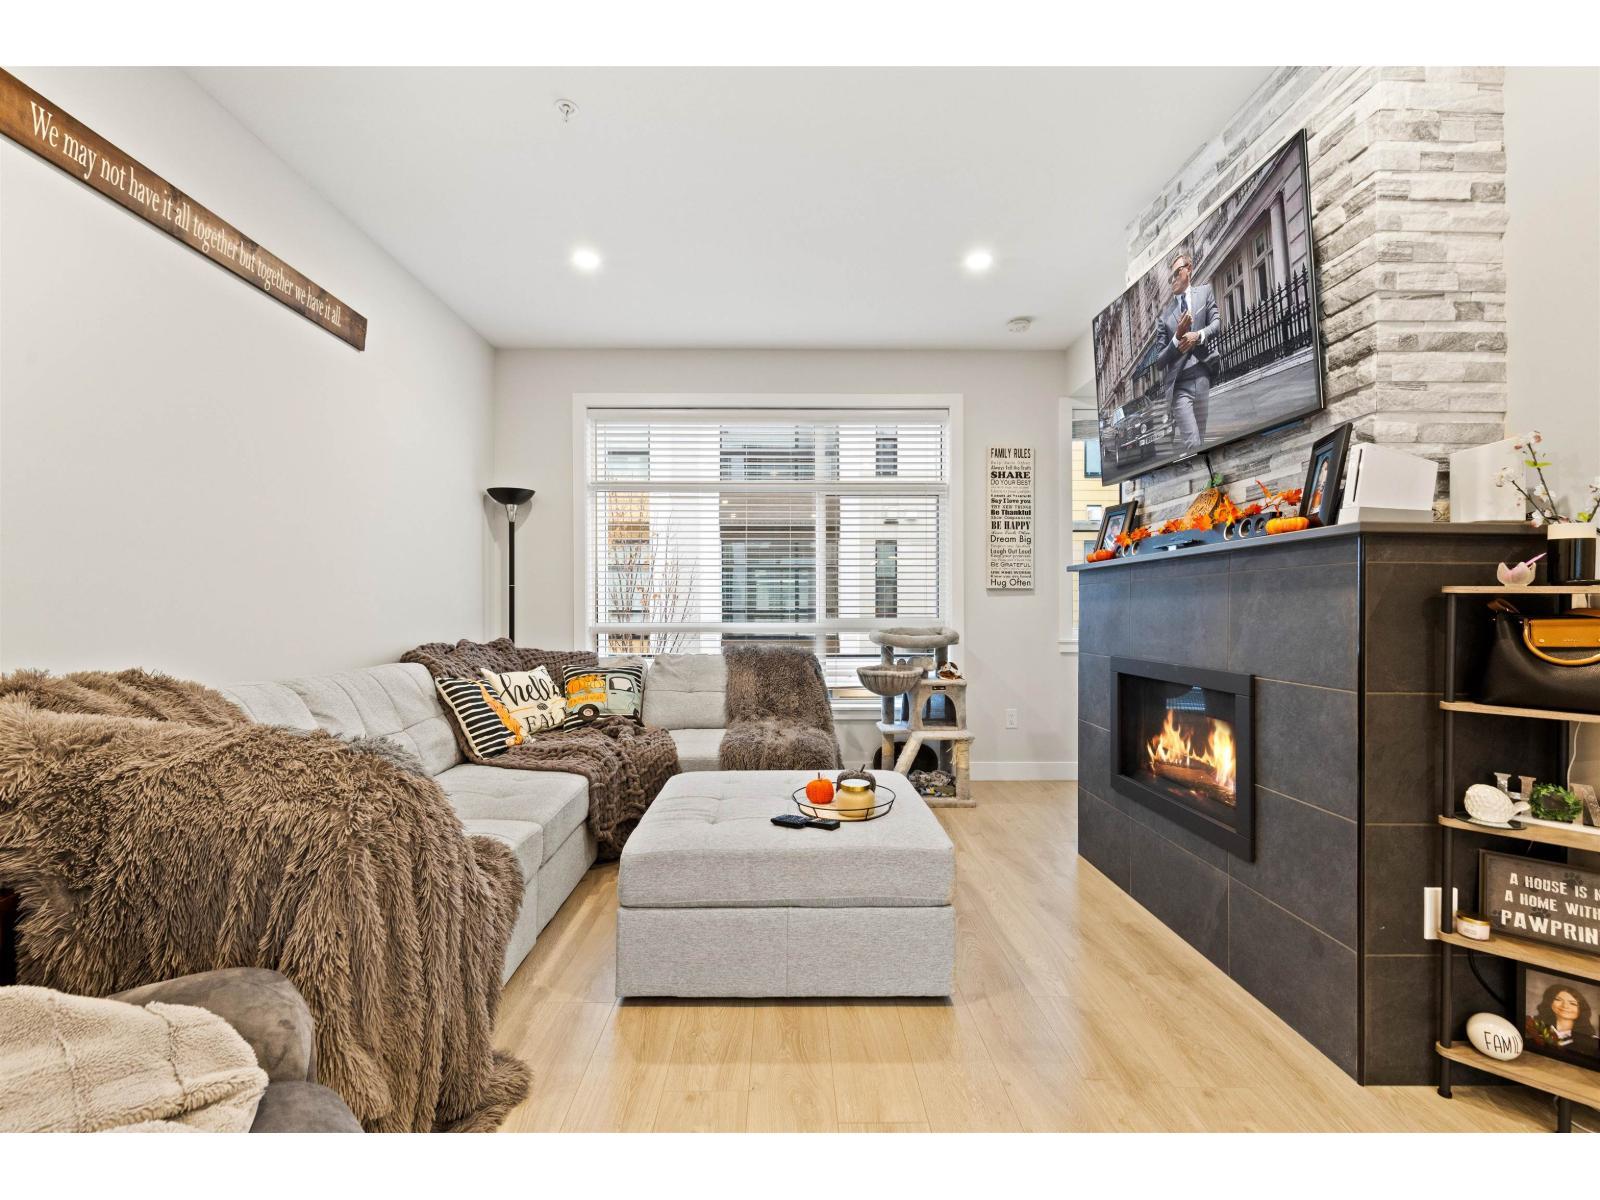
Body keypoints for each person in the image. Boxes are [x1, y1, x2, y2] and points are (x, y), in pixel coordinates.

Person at [1154, 250, 1223, 452]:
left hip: (1202, 377)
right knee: (1193, 443)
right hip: (1180, 386)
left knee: (1200, 439)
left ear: (1189, 269)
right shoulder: (1164, 317)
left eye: (1177, 273)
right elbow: (1159, 361)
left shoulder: (1205, 292)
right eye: (1170, 277)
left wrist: (1198, 335)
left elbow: (1216, 323)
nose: (1173, 279)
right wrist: (1176, 338)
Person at [1526, 982, 1599, 1060]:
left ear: (1581, 1009)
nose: (1565, 1006)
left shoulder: (1591, 1040)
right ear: (1550, 1003)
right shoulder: (1531, 1023)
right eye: (1558, 1000)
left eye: (1573, 1003)